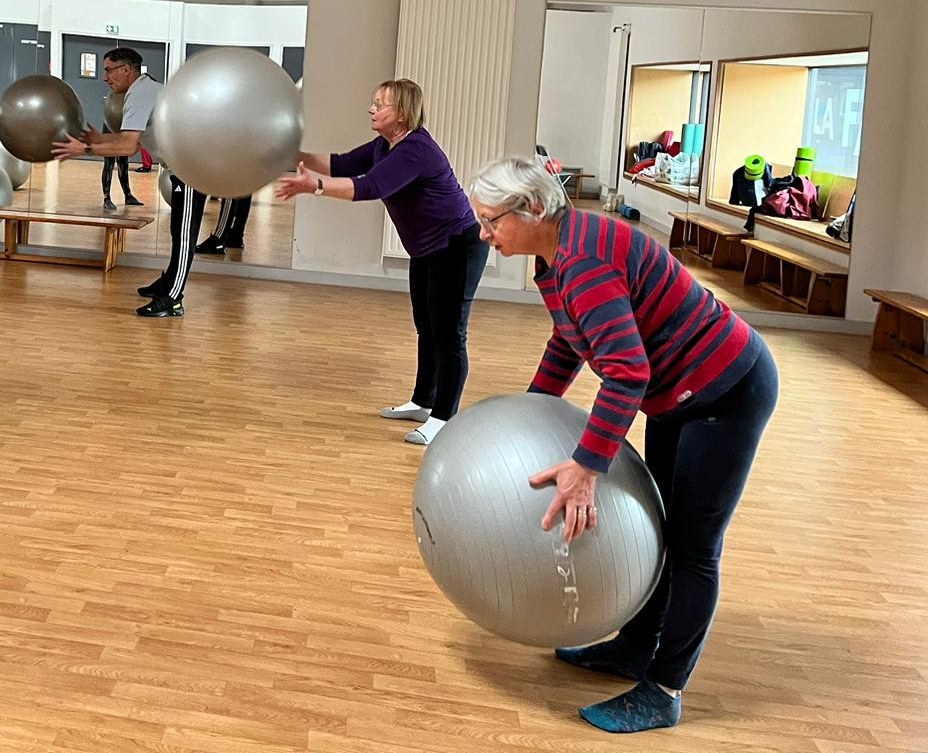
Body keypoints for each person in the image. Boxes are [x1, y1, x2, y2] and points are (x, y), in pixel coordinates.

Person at [469, 155, 778, 734]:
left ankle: (664, 690)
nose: (484, 235)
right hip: (676, 394)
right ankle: (635, 649)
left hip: (724, 392)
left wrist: (587, 466)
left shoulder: (583, 261)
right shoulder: (555, 254)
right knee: (661, 528)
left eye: (491, 221)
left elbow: (627, 372)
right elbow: (570, 338)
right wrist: (529, 413)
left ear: (533, 208)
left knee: (693, 546)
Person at [277, 79, 486, 446]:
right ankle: (424, 402)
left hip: (458, 246)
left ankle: (443, 417)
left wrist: (317, 187)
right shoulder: (384, 146)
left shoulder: (416, 150)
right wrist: (295, 155)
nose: (372, 109)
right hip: (427, 249)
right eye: (373, 103)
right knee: (427, 327)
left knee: (450, 334)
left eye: (380, 104)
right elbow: (340, 163)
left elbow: (369, 187)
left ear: (402, 114)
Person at [55, 46, 202, 318]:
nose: (105, 78)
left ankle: (172, 299)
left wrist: (83, 150)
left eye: (109, 70)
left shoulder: (139, 94)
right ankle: (168, 282)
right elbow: (131, 138)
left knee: (184, 235)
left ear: (126, 70)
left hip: (194, 166)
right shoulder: (144, 90)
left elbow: (127, 147)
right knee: (177, 230)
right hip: (186, 163)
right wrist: (97, 141)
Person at [100, 89, 142, 212]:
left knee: (123, 163)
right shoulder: (117, 93)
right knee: (109, 164)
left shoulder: (133, 94)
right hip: (110, 129)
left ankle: (128, 195)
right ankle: (106, 198)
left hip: (123, 130)